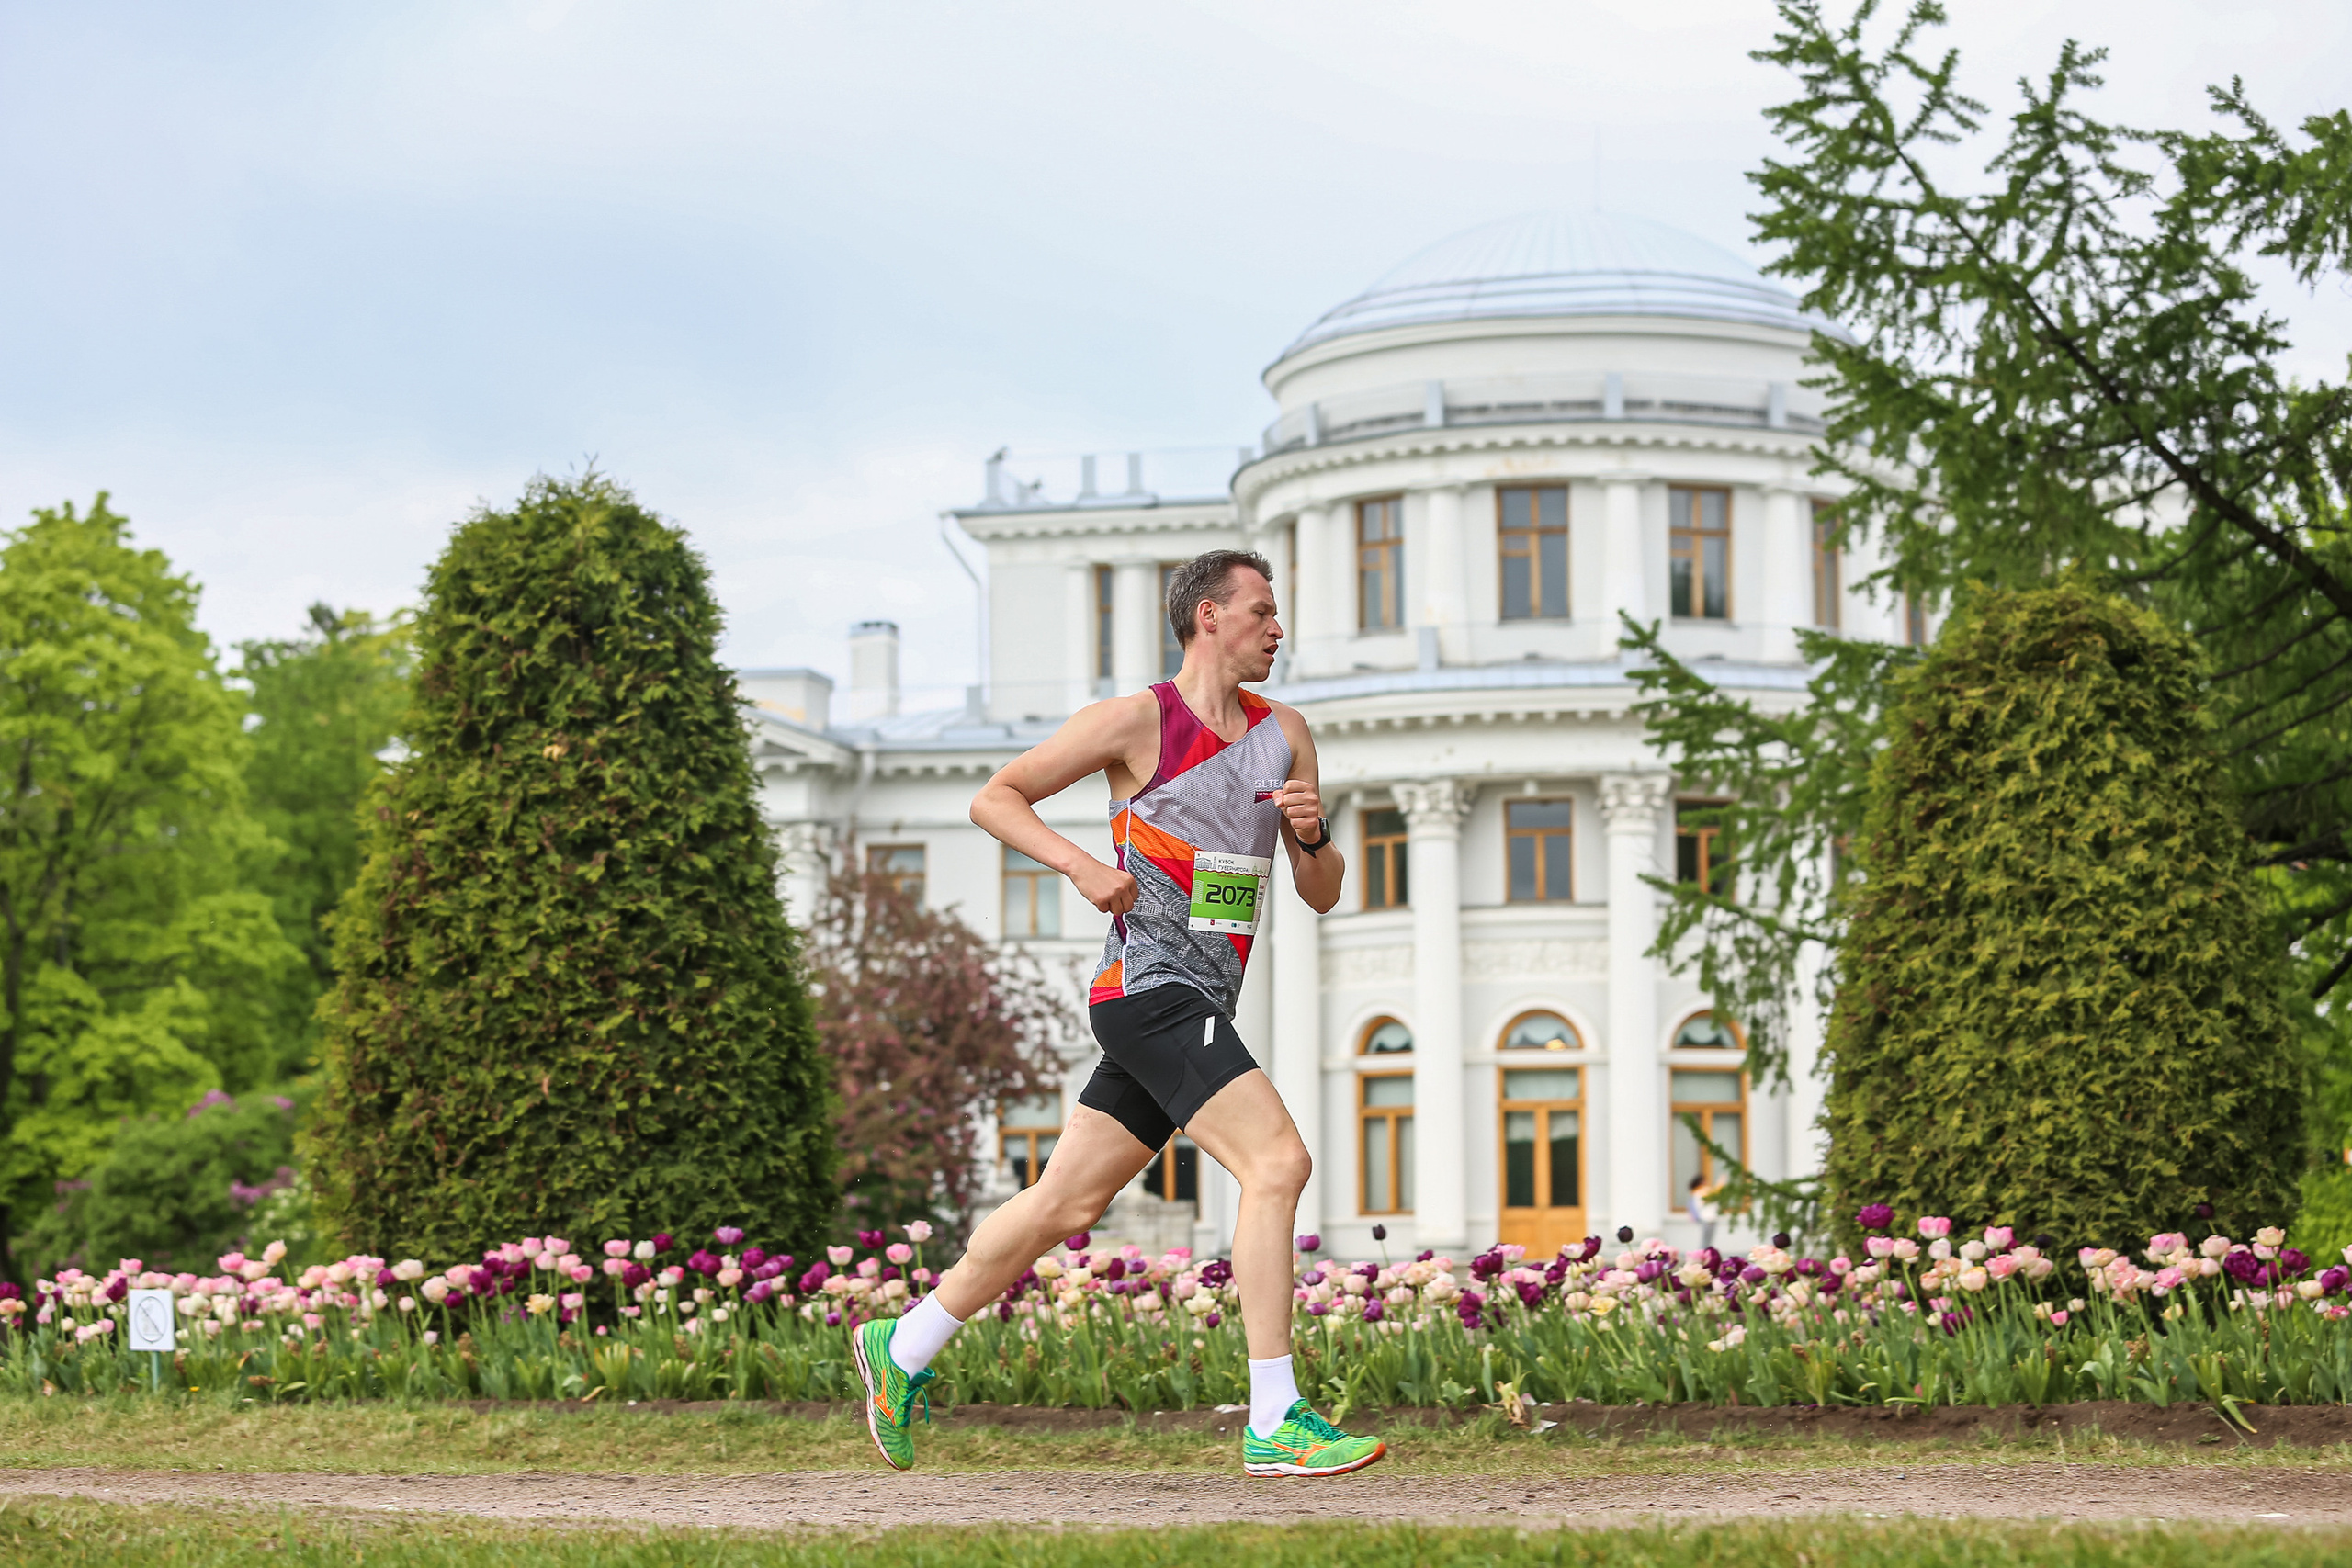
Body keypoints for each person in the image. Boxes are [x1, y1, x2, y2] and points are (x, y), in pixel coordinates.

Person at [849, 548, 1385, 1479]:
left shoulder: (1287, 732)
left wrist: (1312, 833)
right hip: (1145, 991)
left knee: (1066, 1202)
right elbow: (995, 797)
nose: (1277, 628)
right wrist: (1081, 867)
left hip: (1202, 996)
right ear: (1206, 617)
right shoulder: (1138, 721)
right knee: (1278, 1161)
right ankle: (1274, 1417)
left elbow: (1323, 892)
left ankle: (903, 1345)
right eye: (1261, 611)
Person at [1687, 1172, 1717, 1251]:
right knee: (1705, 1241)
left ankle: (1705, 1255)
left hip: (1711, 1218)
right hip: (1706, 1218)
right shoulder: (1700, 1192)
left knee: (1708, 1241)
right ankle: (1701, 1256)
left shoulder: (1704, 1191)